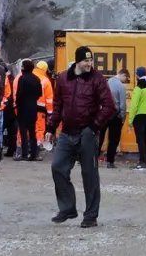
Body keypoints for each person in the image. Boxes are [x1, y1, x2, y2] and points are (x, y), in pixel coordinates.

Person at [47, 46, 116, 227]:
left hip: (87, 132)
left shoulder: (97, 79)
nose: (89, 64)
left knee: (90, 174)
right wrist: (51, 127)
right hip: (67, 132)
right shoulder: (62, 79)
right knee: (57, 168)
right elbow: (57, 106)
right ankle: (68, 208)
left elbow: (109, 106)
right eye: (86, 60)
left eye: (91, 60)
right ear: (77, 61)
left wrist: (94, 126)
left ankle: (90, 216)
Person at [14, 59, 42, 162]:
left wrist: (17, 104)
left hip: (23, 108)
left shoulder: (22, 78)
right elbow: (40, 93)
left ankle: (24, 153)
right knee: (32, 131)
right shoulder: (36, 79)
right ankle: (33, 153)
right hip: (33, 107)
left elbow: (19, 94)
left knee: (23, 132)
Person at [128, 67, 146, 170]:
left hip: (139, 116)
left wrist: (130, 120)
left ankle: (142, 162)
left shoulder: (138, 88)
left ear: (137, 75)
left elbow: (134, 105)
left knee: (140, 140)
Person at [103, 68, 128, 167]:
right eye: (126, 78)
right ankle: (110, 161)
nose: (125, 81)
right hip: (115, 115)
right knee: (113, 139)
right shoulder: (121, 86)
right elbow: (122, 105)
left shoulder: (107, 82)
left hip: (104, 114)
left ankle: (93, 160)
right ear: (123, 75)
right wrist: (123, 117)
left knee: (100, 138)